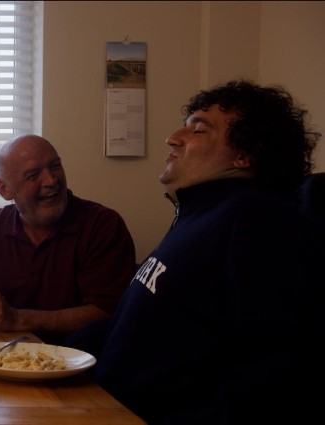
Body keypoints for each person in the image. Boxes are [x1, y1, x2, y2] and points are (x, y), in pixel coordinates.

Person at [83, 80, 324, 424]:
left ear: (244, 155)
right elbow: (135, 327)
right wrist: (49, 350)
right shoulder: (197, 215)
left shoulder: (257, 221)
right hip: (99, 405)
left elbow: (277, 372)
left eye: (198, 129)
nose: (173, 138)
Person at [0, 134, 137, 343]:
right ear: (4, 189)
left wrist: (18, 318)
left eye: (55, 166)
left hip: (80, 368)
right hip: (4, 361)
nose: (51, 181)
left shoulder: (102, 225)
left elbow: (106, 313)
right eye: (33, 175)